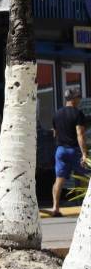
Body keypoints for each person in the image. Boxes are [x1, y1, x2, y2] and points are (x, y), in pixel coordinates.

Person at [50, 87, 88, 216]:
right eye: (78, 97)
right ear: (74, 99)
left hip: (60, 150)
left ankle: (55, 208)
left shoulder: (57, 113)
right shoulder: (78, 114)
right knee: (88, 174)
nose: (80, 99)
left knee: (59, 180)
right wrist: (84, 153)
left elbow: (55, 133)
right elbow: (80, 134)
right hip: (74, 150)